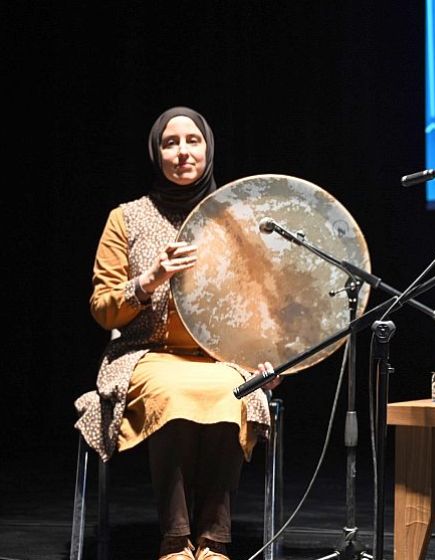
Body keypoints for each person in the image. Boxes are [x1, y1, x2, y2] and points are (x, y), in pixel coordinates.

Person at [74, 107, 280, 560]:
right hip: (147, 354)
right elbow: (102, 309)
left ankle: (213, 540)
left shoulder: (236, 220)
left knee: (233, 390)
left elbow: (258, 306)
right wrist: (148, 281)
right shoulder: (126, 218)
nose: (183, 152)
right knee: (173, 390)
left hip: (220, 357)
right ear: (156, 153)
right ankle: (174, 539)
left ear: (208, 148)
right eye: (171, 143)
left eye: (193, 141)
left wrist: (265, 358)